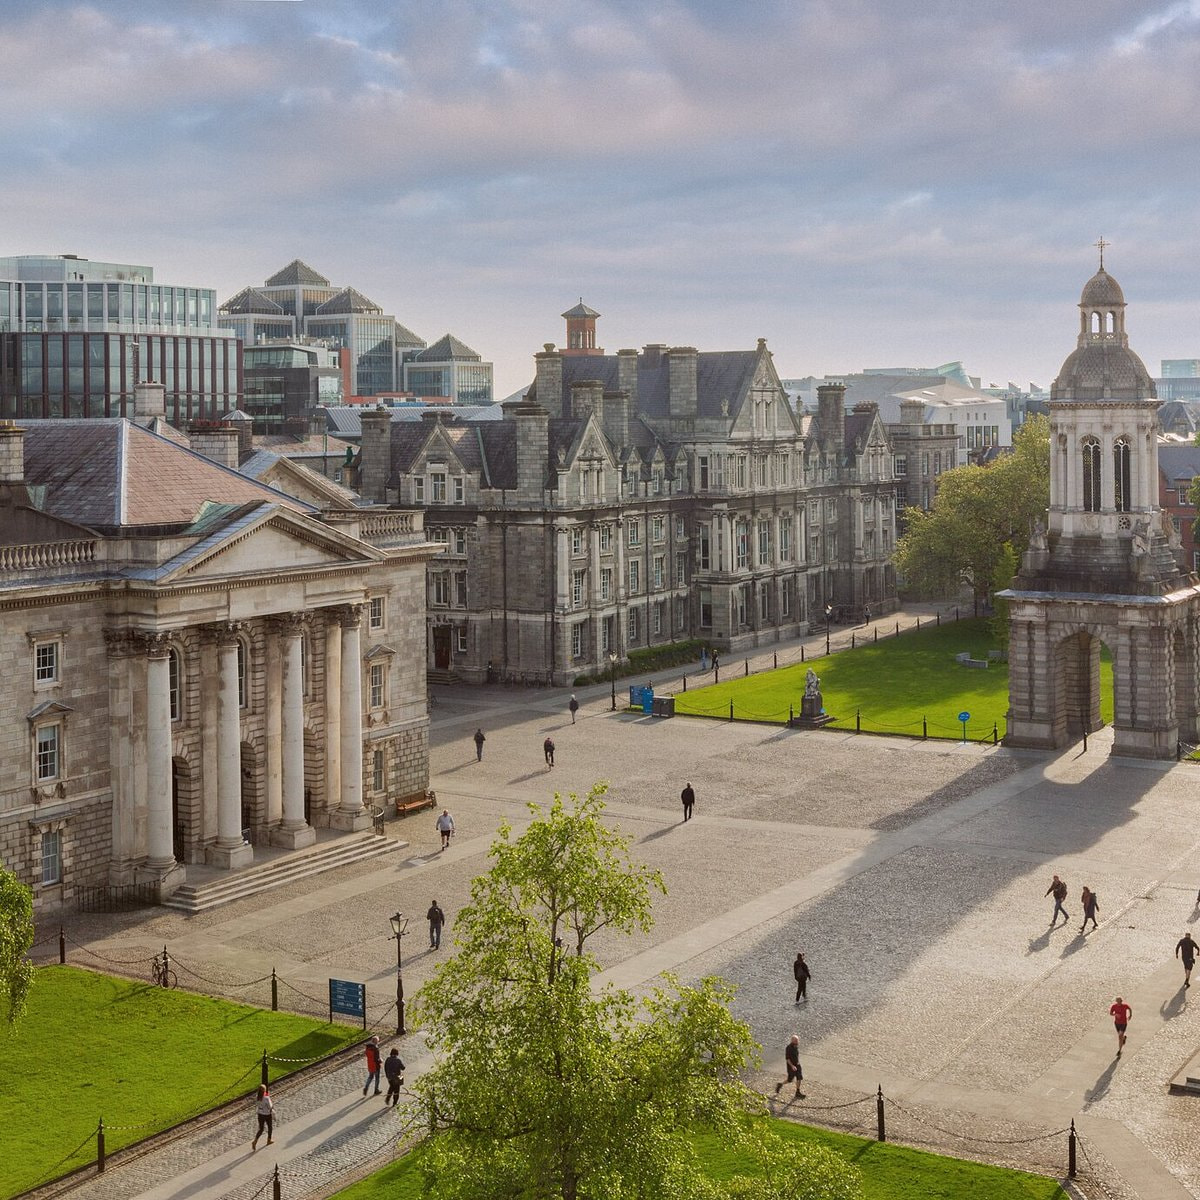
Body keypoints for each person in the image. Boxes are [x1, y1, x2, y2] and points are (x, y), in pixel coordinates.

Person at [773, 1034, 805, 1099]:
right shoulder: (788, 1048)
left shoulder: (796, 1046)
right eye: (796, 1040)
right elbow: (787, 1059)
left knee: (799, 1078)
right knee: (790, 1080)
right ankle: (780, 1084)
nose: (797, 1041)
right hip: (791, 1067)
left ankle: (797, 1092)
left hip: (797, 1065)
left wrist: (797, 1063)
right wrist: (792, 1066)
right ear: (792, 1040)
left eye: (797, 1040)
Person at [251, 1084, 273, 1149]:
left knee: (261, 1129)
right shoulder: (266, 1098)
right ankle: (269, 1140)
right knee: (270, 1127)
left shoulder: (257, 1097)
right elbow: (270, 1106)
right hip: (267, 1114)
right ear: (264, 1090)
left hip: (260, 1114)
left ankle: (255, 1141)